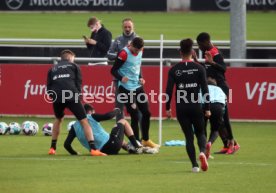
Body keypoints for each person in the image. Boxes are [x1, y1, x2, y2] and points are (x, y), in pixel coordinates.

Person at [46, 50, 106, 156]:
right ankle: (93, 149)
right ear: (70, 58)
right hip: (70, 94)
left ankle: (52, 148)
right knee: (84, 121)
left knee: (59, 119)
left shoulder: (52, 69)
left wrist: (54, 96)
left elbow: (49, 87)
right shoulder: (74, 66)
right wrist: (78, 96)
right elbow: (78, 82)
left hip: (57, 96)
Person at [166, 38, 210, 172]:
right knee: (200, 133)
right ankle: (202, 152)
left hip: (181, 107)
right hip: (196, 106)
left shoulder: (174, 69)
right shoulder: (199, 68)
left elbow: (168, 90)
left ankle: (194, 165)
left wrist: (167, 108)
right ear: (192, 51)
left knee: (188, 137)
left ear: (180, 52)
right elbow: (205, 89)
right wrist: (207, 108)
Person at [110, 37, 159, 148]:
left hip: (138, 87)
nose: (137, 52)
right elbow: (113, 70)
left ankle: (145, 139)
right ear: (131, 45)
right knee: (135, 115)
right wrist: (121, 77)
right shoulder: (123, 53)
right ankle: (135, 141)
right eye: (135, 50)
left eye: (139, 50)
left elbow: (137, 66)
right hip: (126, 89)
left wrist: (141, 77)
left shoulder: (141, 51)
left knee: (147, 113)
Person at [196, 32, 240, 154]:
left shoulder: (215, 52)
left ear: (206, 42)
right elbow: (207, 71)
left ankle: (233, 143)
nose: (199, 47)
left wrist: (212, 63)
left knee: (224, 118)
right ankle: (227, 144)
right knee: (217, 119)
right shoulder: (208, 53)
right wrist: (196, 61)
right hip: (214, 88)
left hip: (221, 88)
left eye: (200, 44)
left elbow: (223, 68)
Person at [64, 104, 144, 155]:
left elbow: (66, 145)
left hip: (100, 151)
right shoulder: (90, 116)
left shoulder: (74, 127)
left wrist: (74, 153)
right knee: (123, 121)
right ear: (90, 111)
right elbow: (108, 116)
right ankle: (136, 146)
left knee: (115, 135)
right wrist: (117, 111)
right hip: (111, 145)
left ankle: (129, 148)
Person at [107, 18, 138, 121]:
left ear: (133, 27)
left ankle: (139, 134)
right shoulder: (118, 39)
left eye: (129, 27)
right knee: (119, 106)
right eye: (125, 27)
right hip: (119, 78)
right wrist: (121, 55)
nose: (127, 29)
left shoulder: (137, 39)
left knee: (135, 106)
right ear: (122, 27)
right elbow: (109, 54)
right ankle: (119, 133)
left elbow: (139, 56)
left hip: (133, 78)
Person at [204, 76, 227, 159]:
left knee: (202, 130)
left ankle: (203, 150)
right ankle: (210, 142)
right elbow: (224, 103)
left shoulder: (203, 88)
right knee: (215, 130)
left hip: (205, 106)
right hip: (218, 107)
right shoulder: (220, 90)